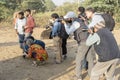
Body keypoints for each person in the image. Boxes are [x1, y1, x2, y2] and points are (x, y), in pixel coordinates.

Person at [63, 11, 94, 80]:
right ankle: (91, 75)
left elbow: (69, 32)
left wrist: (65, 24)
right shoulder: (80, 21)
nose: (67, 20)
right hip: (89, 40)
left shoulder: (76, 23)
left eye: (68, 18)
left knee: (78, 60)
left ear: (71, 18)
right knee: (90, 59)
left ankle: (78, 77)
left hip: (83, 42)